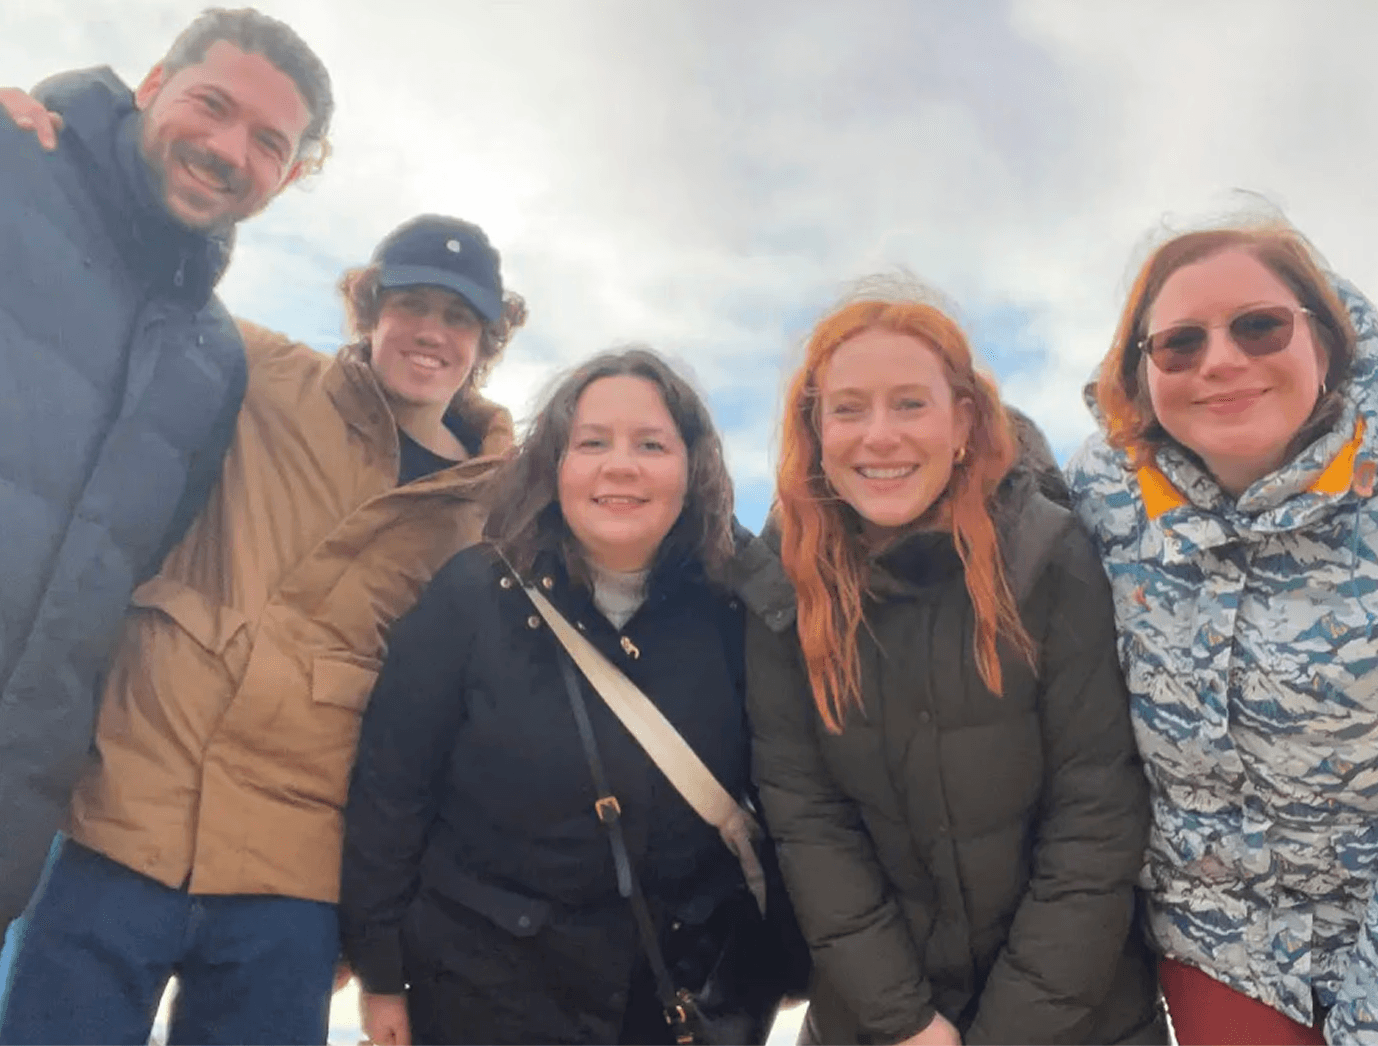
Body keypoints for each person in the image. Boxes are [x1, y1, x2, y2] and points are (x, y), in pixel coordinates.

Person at [0, 214, 524, 1045]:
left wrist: (377, 923)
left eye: (459, 317)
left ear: (486, 342)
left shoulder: (495, 511)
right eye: (411, 303)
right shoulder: (262, 372)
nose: (431, 332)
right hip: (115, 818)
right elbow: (108, 300)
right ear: (369, 309)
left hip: (293, 878)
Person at [339, 350, 797, 1045]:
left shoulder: (735, 614)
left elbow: (795, 796)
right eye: (592, 443)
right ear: (553, 465)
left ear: (692, 470)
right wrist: (380, 976)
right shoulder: (472, 596)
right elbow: (391, 792)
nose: (621, 465)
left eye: (651, 444)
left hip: (676, 999)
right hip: (482, 997)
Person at [746, 287, 1165, 1044]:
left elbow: (1096, 812)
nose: (879, 436)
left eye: (910, 403)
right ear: (814, 428)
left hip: (1078, 1019)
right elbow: (807, 821)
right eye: (847, 409)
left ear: (964, 420)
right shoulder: (787, 581)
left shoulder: (1048, 558)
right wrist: (906, 1021)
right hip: (875, 1023)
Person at [0, 6, 333, 933]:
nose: (230, 149)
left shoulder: (212, 360)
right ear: (151, 85)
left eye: (268, 142)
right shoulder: (11, 165)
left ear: (289, 175)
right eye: (211, 105)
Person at [1065, 221, 1378, 1045]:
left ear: (1323, 338)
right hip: (1220, 947)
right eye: (1179, 344)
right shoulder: (1105, 496)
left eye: (1259, 326)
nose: (1222, 361)